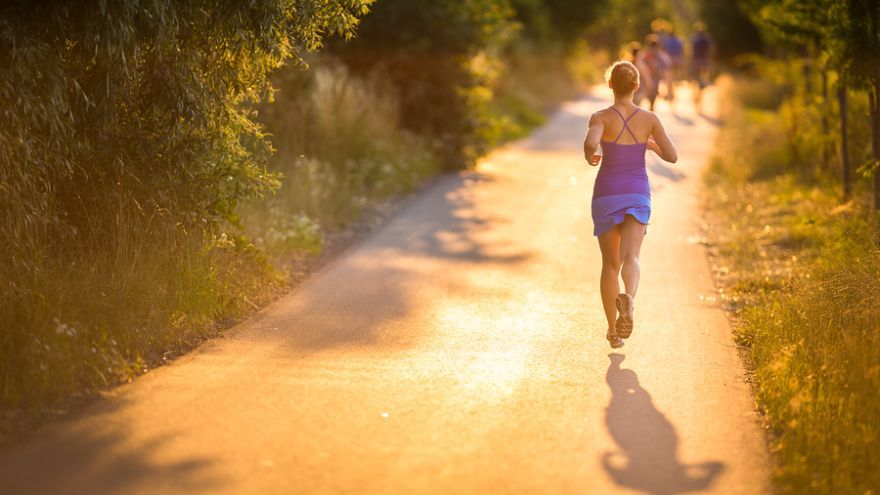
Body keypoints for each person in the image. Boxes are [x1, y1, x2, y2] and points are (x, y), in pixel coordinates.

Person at [583, 61, 678, 349]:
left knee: (610, 264)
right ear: (637, 86)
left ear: (610, 85)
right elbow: (672, 156)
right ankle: (630, 302)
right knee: (632, 257)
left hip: (607, 192)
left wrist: (591, 156)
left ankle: (613, 331)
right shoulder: (649, 119)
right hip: (637, 193)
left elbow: (590, 143)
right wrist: (652, 146)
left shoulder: (600, 116)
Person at [641, 35, 671, 111]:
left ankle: (650, 110)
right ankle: (651, 110)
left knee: (649, 99)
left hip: (646, 81)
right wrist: (668, 87)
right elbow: (666, 71)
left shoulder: (645, 55)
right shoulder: (661, 56)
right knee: (652, 99)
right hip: (655, 81)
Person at [689, 22, 713, 111]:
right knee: (704, 80)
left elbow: (691, 50)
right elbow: (711, 49)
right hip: (704, 61)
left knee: (695, 80)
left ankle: (695, 95)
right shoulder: (707, 39)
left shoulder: (694, 38)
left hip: (696, 61)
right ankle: (700, 93)